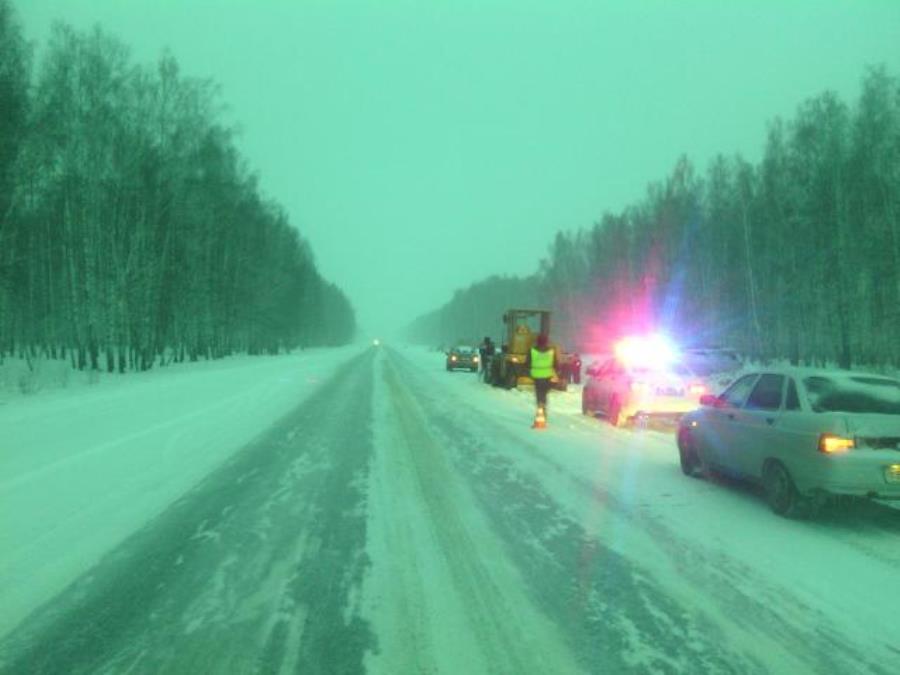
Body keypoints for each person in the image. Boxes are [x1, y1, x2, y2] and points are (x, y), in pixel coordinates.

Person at [527, 333, 557, 429]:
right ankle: (543, 410)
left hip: (536, 376)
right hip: (548, 376)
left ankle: (540, 414)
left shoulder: (532, 351)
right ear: (546, 342)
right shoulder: (551, 351)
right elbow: (556, 364)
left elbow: (528, 363)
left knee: (539, 394)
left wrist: (529, 371)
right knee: (544, 394)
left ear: (537, 341)